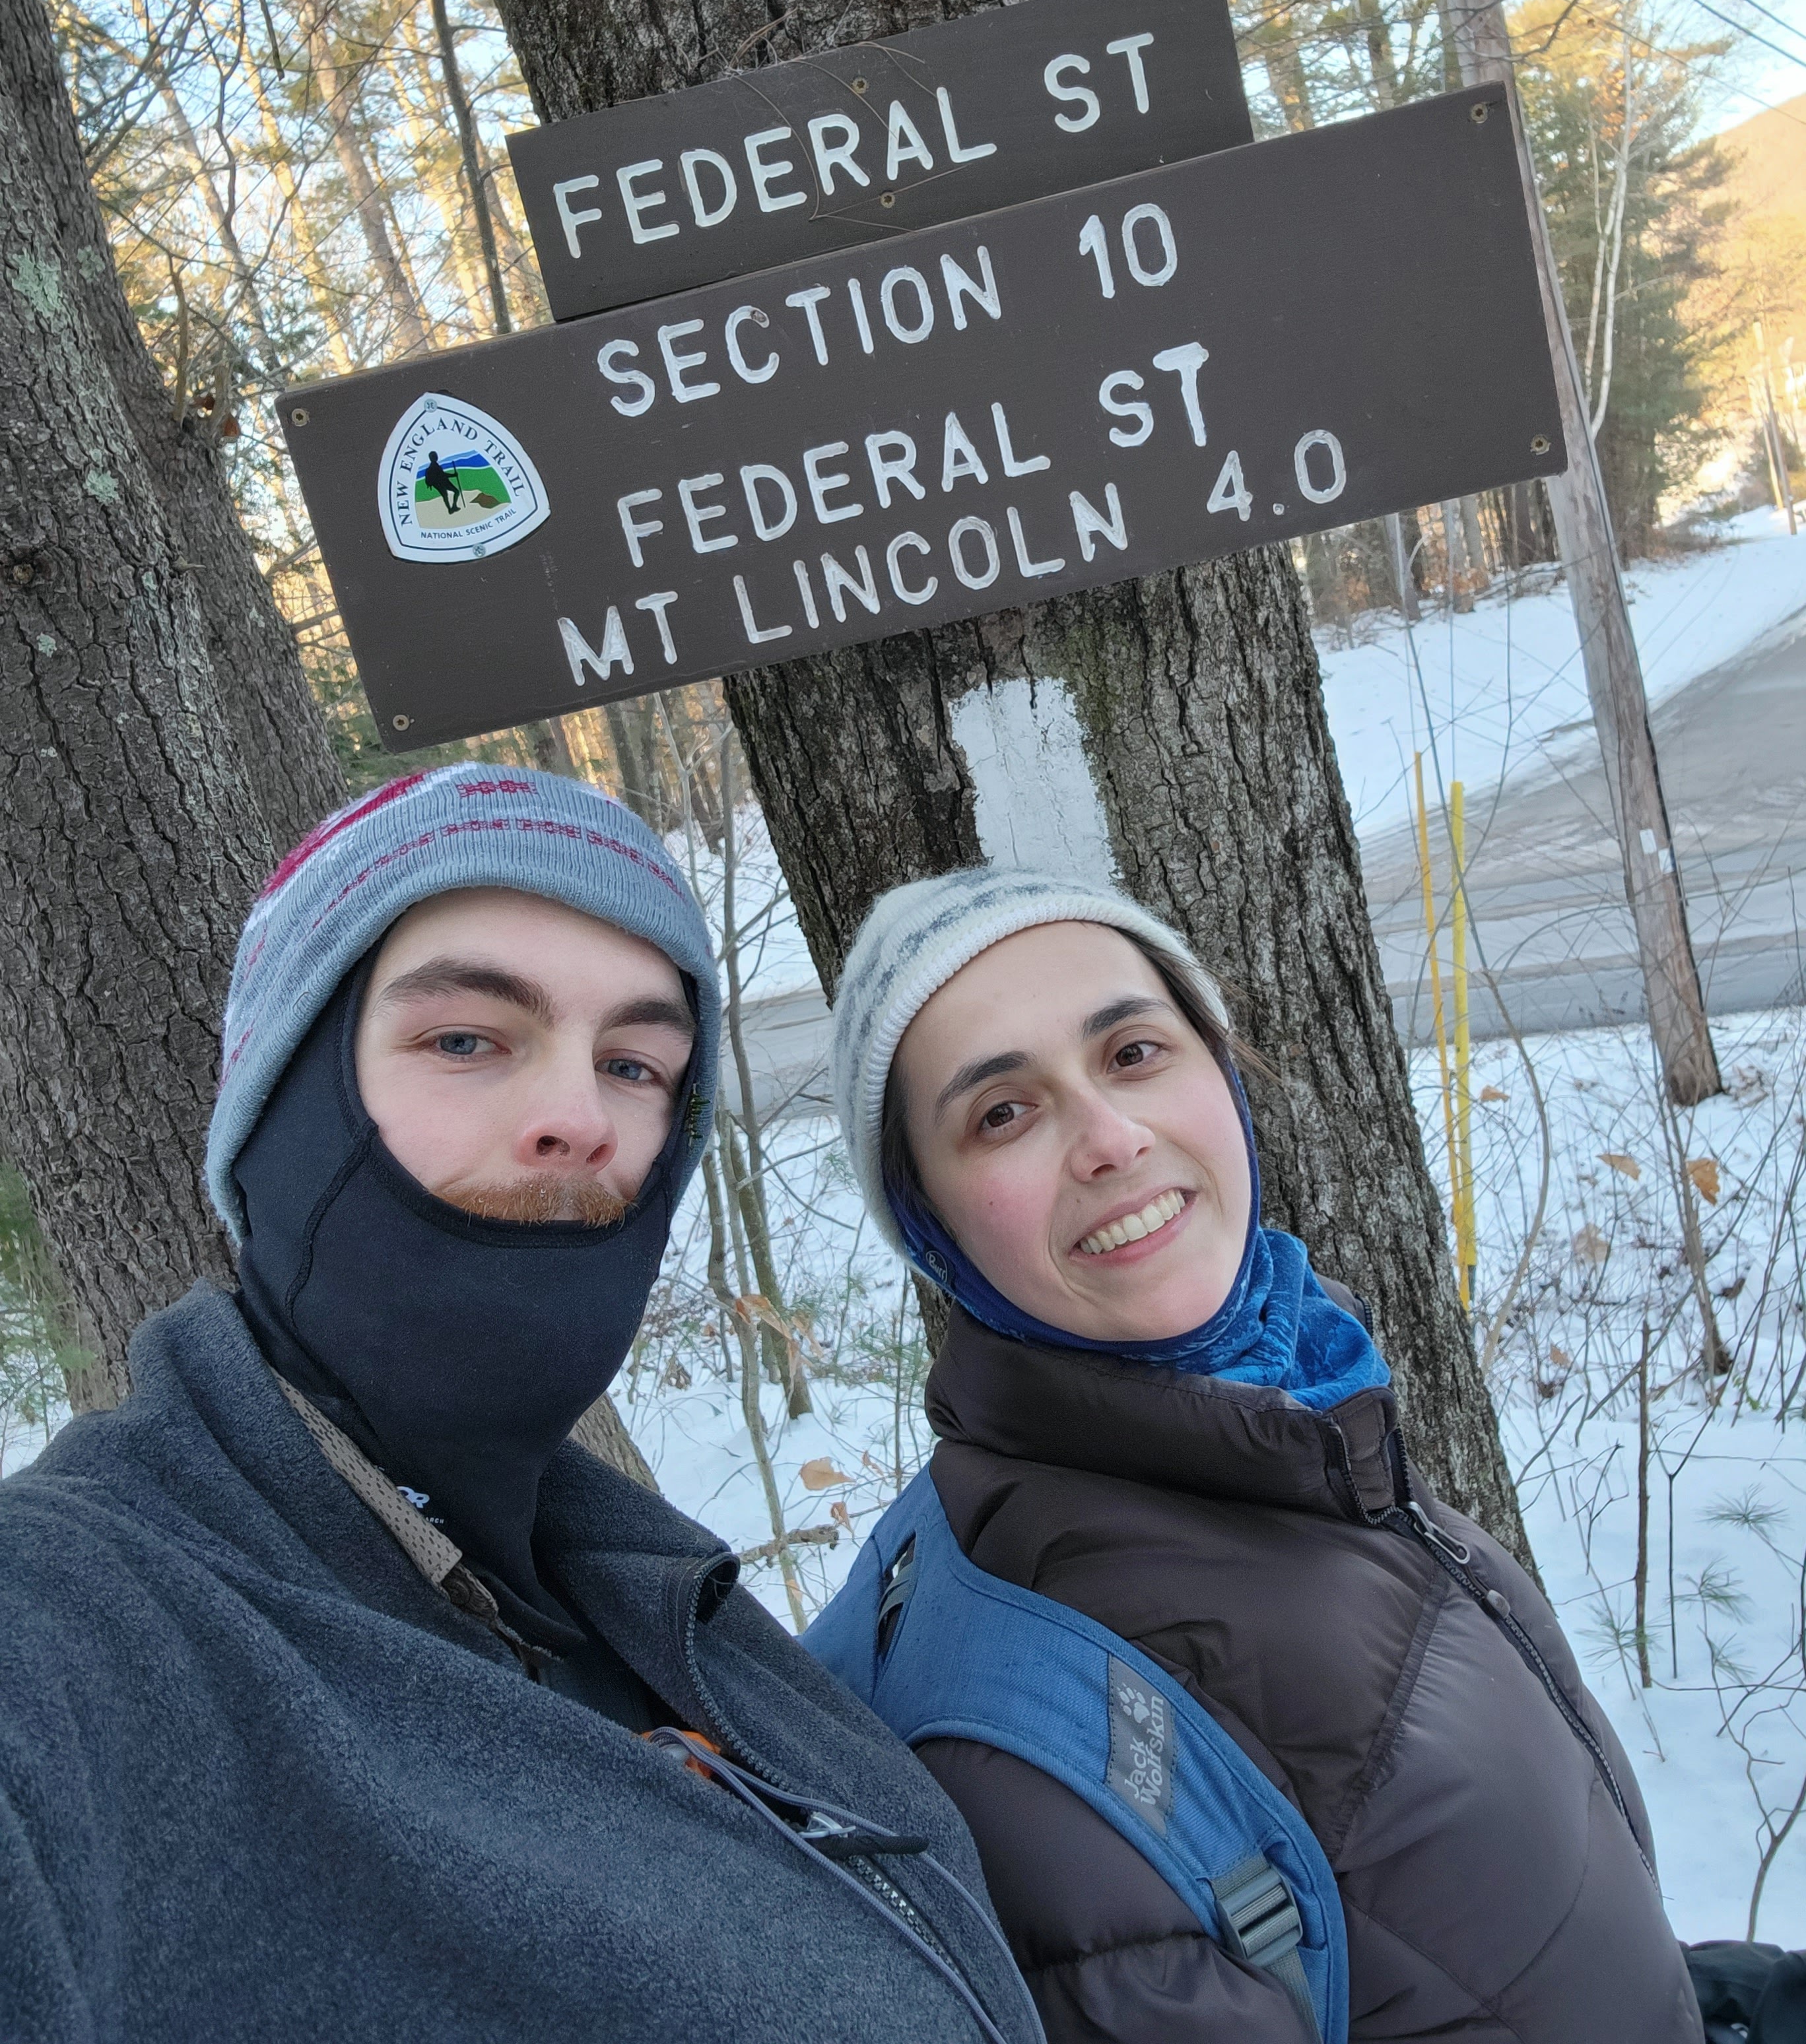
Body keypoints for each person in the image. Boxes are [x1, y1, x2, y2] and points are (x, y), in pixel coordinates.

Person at [0, 768, 1036, 2044]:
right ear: (282, 1100)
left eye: (634, 1064)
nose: (578, 1118)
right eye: (466, 1040)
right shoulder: (75, 1633)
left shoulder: (666, 1611)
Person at [813, 864, 1704, 2042]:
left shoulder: (1293, 1416)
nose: (1112, 1139)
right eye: (1003, 1114)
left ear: (1221, 1072)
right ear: (932, 1228)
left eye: (1133, 1052)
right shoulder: (1039, 1756)